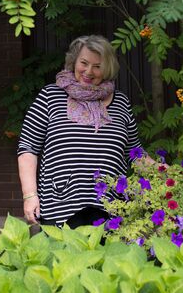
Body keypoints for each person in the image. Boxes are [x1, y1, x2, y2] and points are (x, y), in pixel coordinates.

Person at [17, 35, 143, 228]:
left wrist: (165, 173)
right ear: (74, 61)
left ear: (107, 68)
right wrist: (30, 195)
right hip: (60, 208)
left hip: (110, 210)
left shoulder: (121, 103)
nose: (88, 71)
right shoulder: (50, 96)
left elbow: (134, 152)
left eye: (97, 66)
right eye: (84, 63)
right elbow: (28, 149)